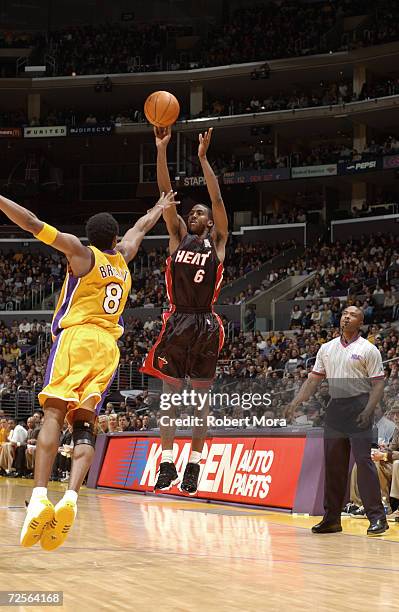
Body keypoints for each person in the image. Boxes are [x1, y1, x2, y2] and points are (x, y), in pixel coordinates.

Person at [0, 188, 178, 550]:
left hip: (77, 340)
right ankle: (70, 499)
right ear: (114, 238)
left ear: (89, 237)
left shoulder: (81, 256)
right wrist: (159, 208)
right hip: (108, 349)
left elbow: (32, 223)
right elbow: (140, 229)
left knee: (52, 413)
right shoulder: (124, 257)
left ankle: (38, 498)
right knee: (84, 424)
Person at [141, 126, 228, 496]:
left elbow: (218, 199)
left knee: (200, 400)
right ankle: (166, 463)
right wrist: (161, 149)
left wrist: (204, 159)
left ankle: (193, 465)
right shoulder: (177, 237)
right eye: (190, 212)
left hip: (206, 322)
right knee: (170, 397)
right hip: (177, 320)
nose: (194, 214)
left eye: (200, 213)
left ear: (210, 223)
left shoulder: (219, 242)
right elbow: (166, 195)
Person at [286, 306, 388, 536]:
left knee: (363, 461)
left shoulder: (369, 349)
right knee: (333, 465)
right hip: (336, 407)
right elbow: (313, 380)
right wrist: (295, 402)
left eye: (352, 314)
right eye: (344, 313)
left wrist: (369, 409)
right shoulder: (327, 348)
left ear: (360, 322)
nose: (346, 317)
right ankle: (332, 519)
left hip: (360, 405)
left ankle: (377, 517)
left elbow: (379, 384)